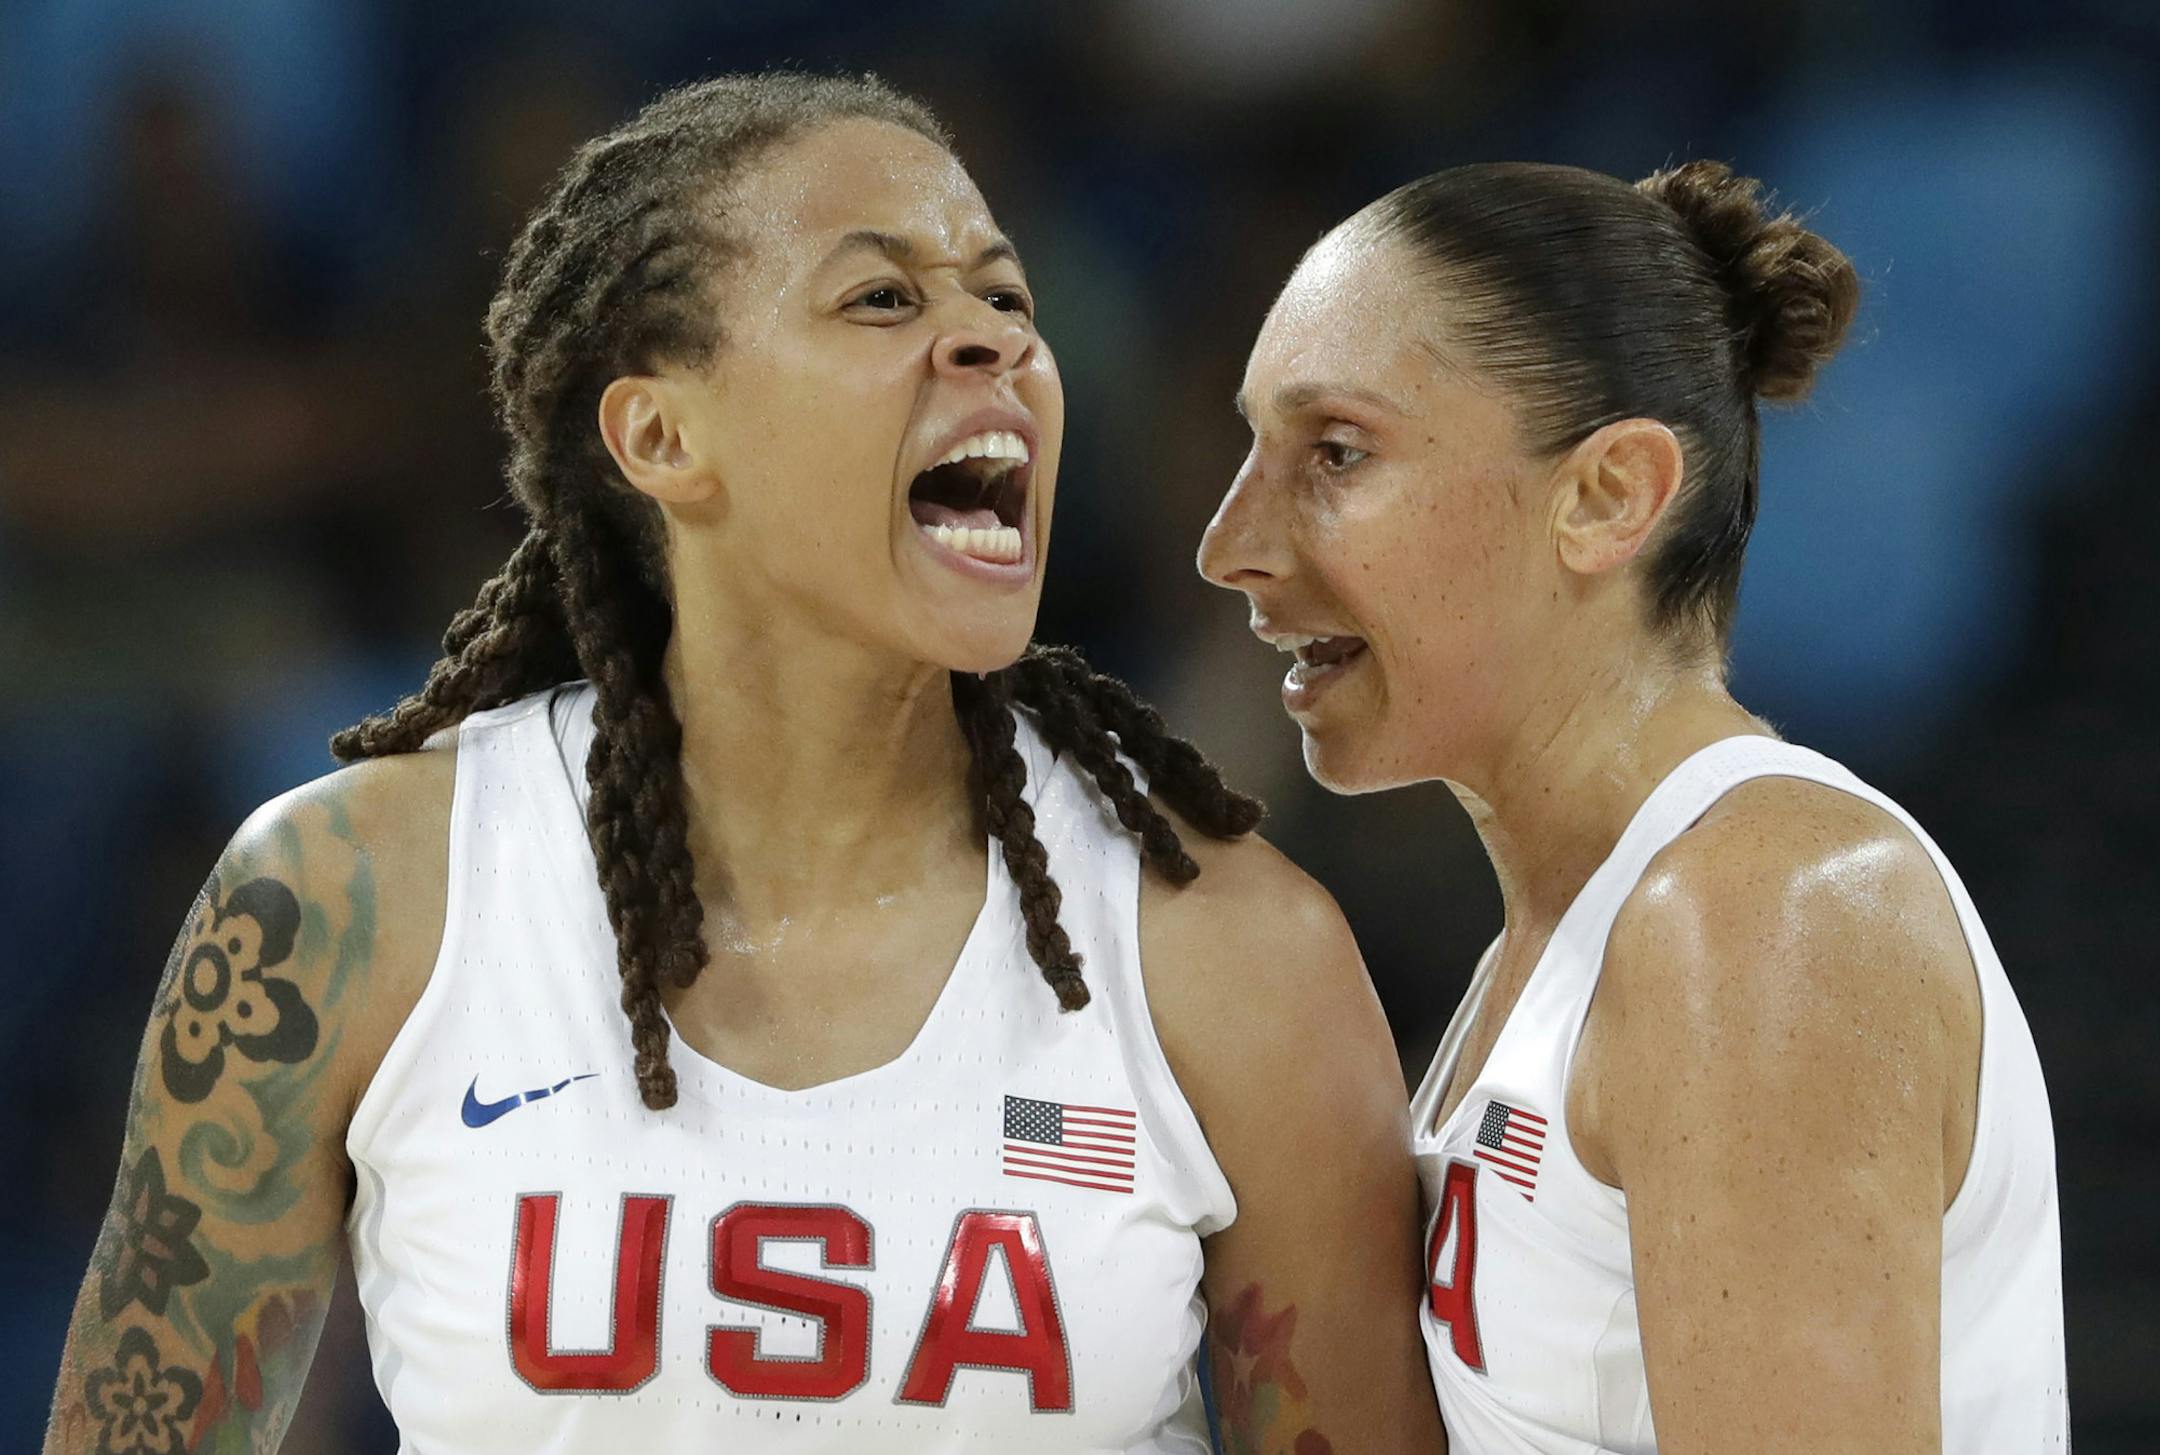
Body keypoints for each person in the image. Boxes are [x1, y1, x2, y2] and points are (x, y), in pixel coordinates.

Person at [45, 73, 1444, 1454]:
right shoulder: (346, 903)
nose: (993, 341)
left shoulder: (1237, 959)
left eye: (1006, 298)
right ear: (661, 435)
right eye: (882, 298)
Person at [1199, 158, 2067, 1452]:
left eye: (1335, 453)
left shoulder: (1762, 919)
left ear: (1608, 497)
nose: (1230, 545)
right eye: (1255, 452)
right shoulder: (1562, 943)